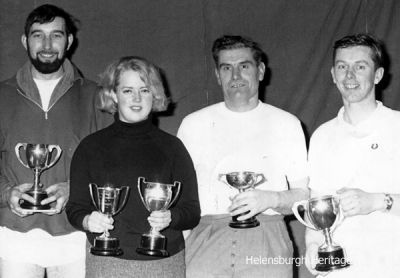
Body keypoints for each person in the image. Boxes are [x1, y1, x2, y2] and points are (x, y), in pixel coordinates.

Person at [177, 35, 309, 278]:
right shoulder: (192, 125)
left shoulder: (287, 124)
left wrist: (270, 199)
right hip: (205, 240)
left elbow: (304, 197)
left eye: (244, 66)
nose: (235, 77)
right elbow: (181, 198)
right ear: (217, 75)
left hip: (267, 241)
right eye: (227, 68)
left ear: (260, 71)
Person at [0, 4, 112, 278]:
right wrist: (5, 193)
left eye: (57, 35)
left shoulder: (96, 97)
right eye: (38, 35)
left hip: (77, 233)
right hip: (14, 236)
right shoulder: (1, 95)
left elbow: (112, 163)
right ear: (26, 41)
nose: (47, 44)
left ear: (69, 41)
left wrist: (76, 189)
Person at [66, 56, 201, 278]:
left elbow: (192, 212)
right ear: (113, 94)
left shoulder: (173, 148)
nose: (137, 98)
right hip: (107, 263)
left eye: (145, 90)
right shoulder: (90, 147)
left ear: (154, 94)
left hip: (164, 264)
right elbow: (75, 208)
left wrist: (171, 217)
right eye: (128, 90)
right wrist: (88, 220)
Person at [305, 33, 400, 278]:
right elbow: (316, 210)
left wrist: (378, 201)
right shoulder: (321, 137)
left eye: (360, 67)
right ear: (333, 75)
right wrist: (313, 246)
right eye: (342, 67)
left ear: (378, 75)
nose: (349, 76)